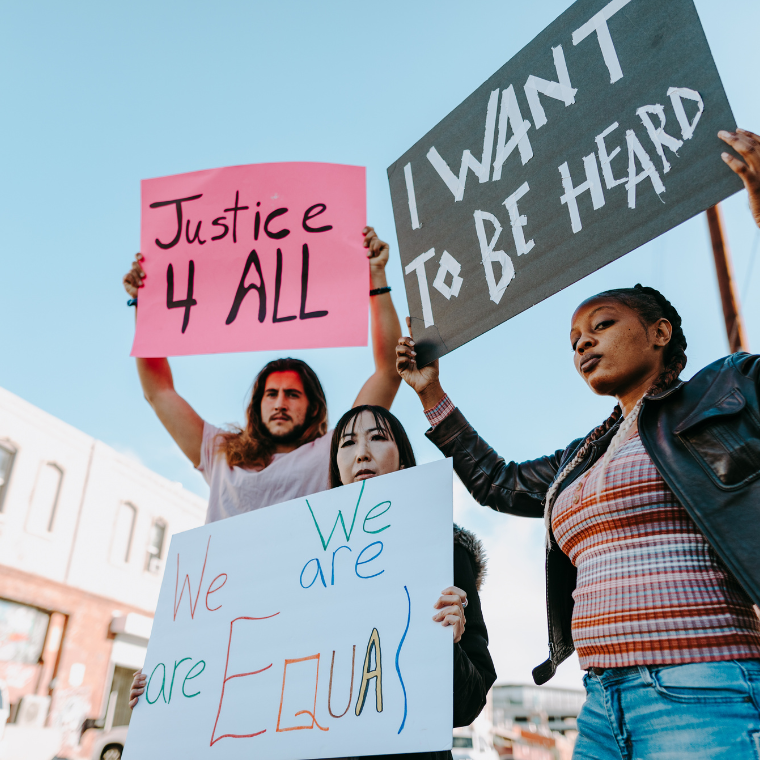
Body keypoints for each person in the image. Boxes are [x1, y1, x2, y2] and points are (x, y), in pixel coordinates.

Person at [395, 128, 760, 759]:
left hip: (704, 688)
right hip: (601, 703)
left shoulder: (722, 394)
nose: (583, 343)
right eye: (573, 339)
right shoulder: (579, 460)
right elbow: (498, 483)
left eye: (602, 325)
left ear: (659, 332)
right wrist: (430, 393)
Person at [131, 404, 497, 731]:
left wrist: (447, 648)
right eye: (348, 443)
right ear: (336, 467)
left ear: (402, 460)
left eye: (378, 438)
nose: (362, 453)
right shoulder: (294, 559)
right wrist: (165, 691)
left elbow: (466, 707)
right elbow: (244, 670)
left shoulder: (443, 551)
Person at [123, 226, 402, 524]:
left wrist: (376, 277)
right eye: (272, 394)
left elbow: (388, 372)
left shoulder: (333, 451)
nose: (280, 403)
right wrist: (145, 303)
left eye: (292, 394)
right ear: (257, 404)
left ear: (313, 407)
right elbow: (159, 391)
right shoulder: (220, 453)